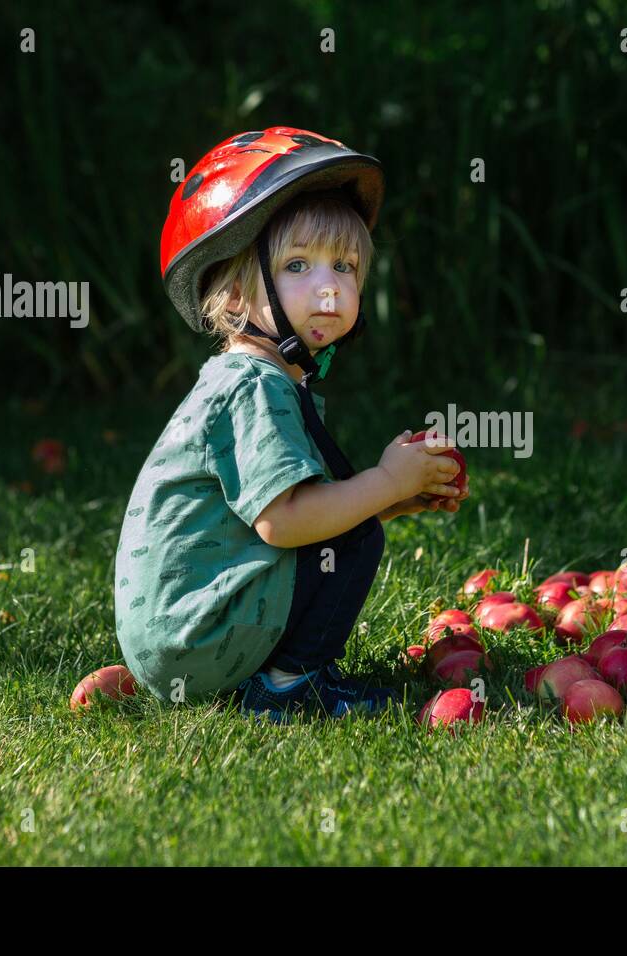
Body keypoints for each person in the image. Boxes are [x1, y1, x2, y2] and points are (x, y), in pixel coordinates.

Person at [115, 126, 468, 723]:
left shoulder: (260, 379)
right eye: (298, 265)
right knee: (354, 539)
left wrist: (393, 499)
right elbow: (284, 523)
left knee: (353, 528)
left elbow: (277, 518)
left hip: (185, 635)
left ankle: (277, 674)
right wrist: (383, 482)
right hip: (196, 634)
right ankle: (287, 688)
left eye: (346, 266)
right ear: (232, 291)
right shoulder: (253, 387)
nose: (329, 286)